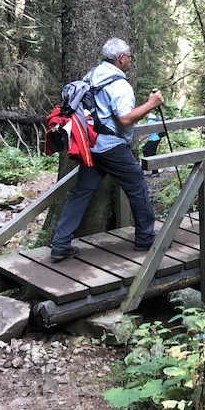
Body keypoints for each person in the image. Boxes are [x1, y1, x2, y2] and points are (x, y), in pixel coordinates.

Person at [49, 37, 164, 262]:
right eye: (129, 56)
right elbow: (124, 119)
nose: (130, 60)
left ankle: (60, 244)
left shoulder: (91, 75)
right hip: (111, 146)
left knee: (81, 192)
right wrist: (151, 104)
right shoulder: (119, 84)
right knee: (137, 186)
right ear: (120, 58)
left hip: (90, 145)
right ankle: (145, 237)